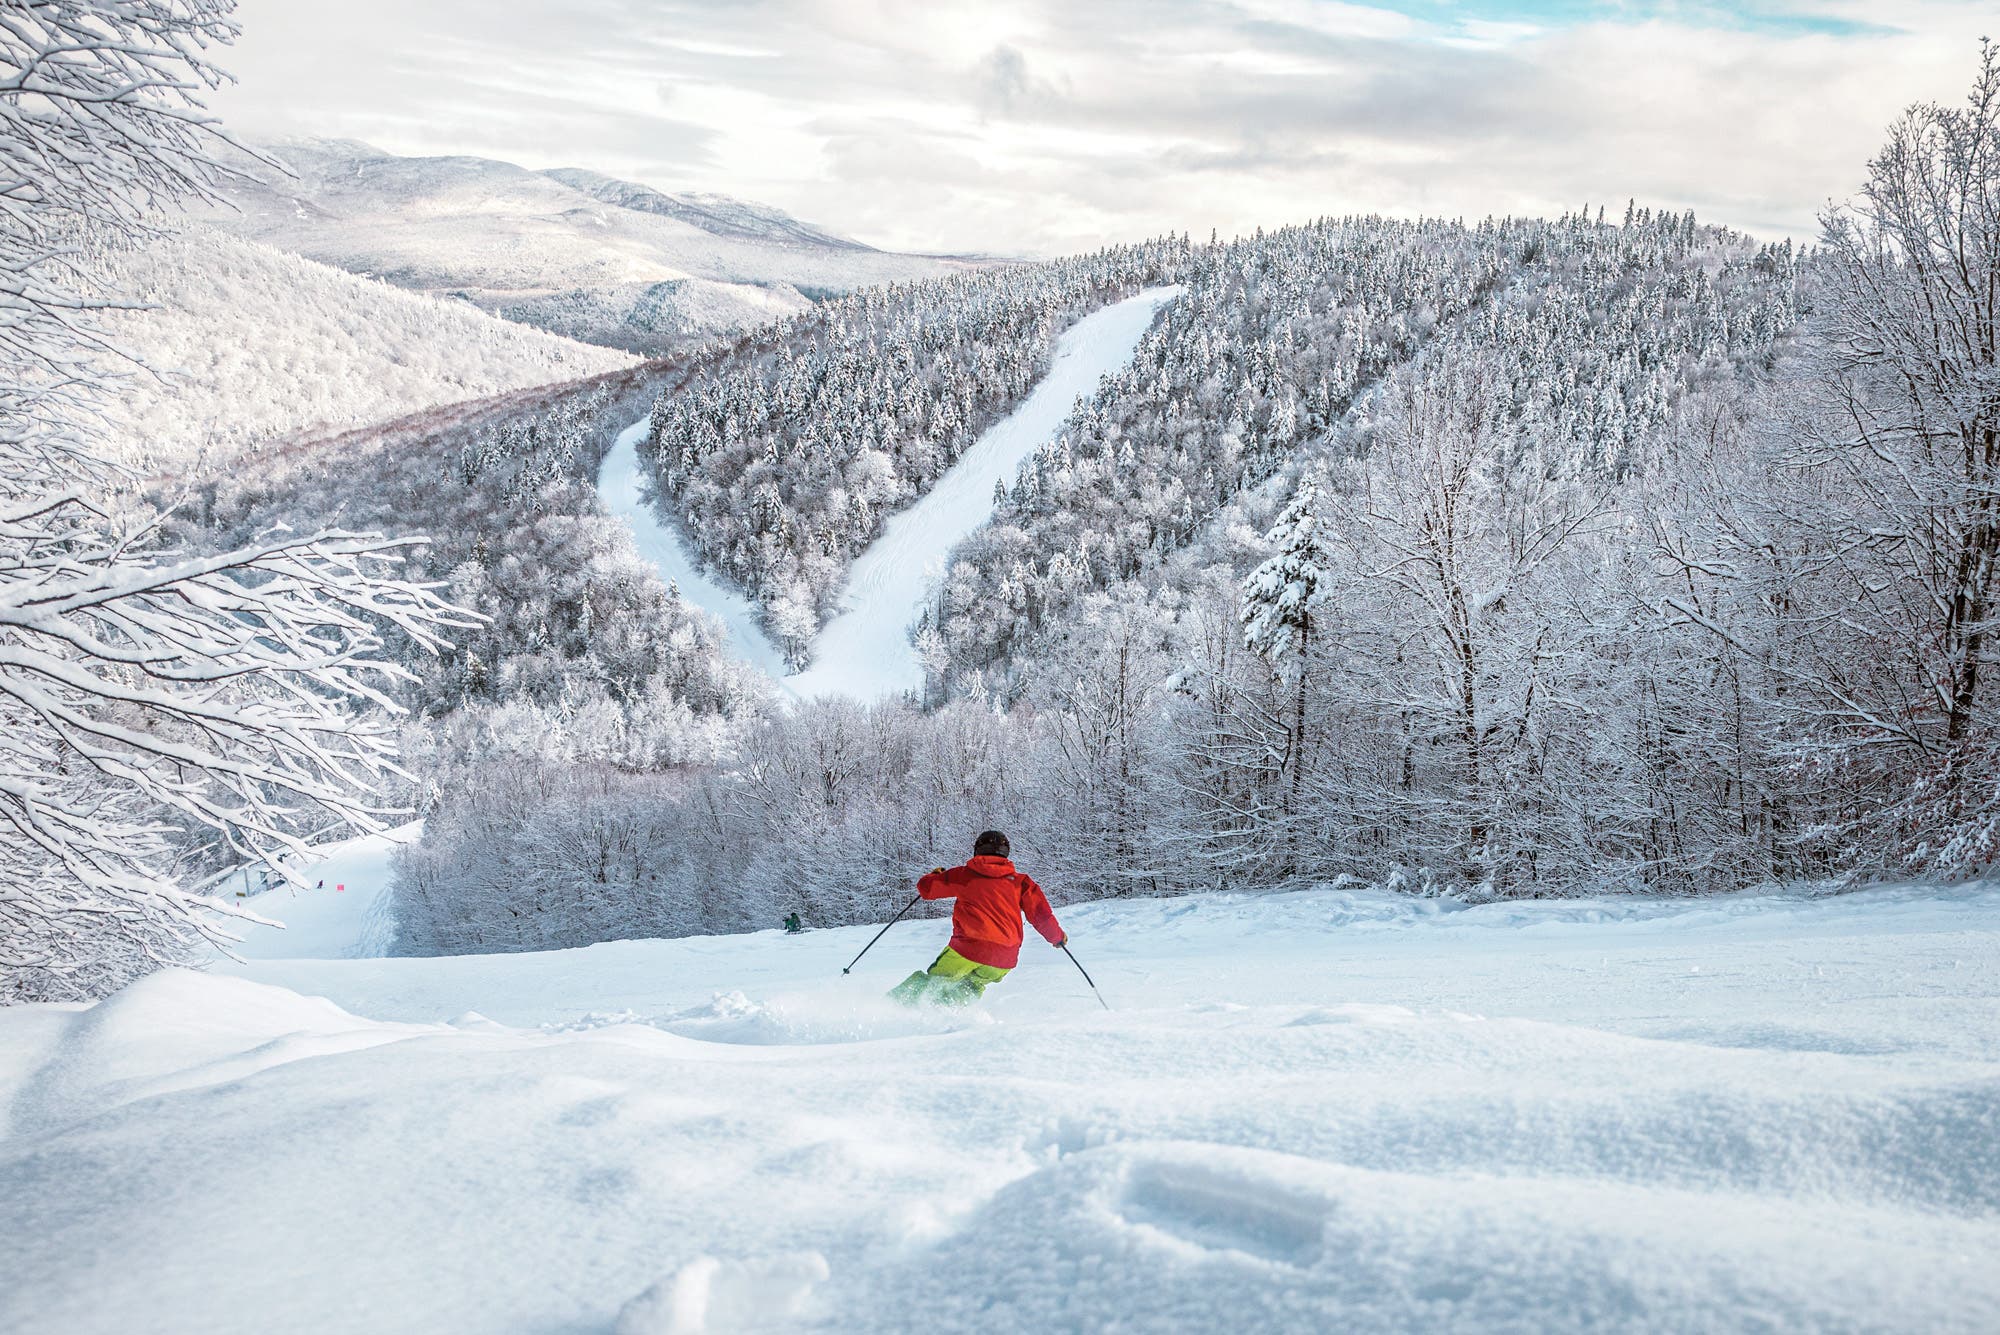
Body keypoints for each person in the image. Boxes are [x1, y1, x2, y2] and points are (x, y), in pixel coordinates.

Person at [890, 830, 1065, 1006]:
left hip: (968, 948)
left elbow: (926, 889)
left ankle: (892, 1007)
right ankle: (949, 1017)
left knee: (934, 983)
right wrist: (1057, 937)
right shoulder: (1020, 882)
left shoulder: (965, 875)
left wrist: (934, 875)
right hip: (1004, 958)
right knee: (971, 986)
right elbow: (1041, 915)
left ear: (977, 850)